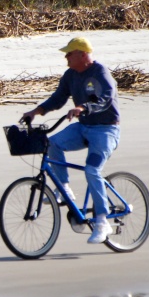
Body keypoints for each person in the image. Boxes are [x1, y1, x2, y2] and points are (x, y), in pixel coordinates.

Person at [21, 36, 120, 244]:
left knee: (92, 170)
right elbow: (58, 99)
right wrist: (36, 111)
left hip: (105, 131)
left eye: (69, 53)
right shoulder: (71, 75)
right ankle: (64, 187)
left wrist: (83, 108)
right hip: (83, 128)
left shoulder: (100, 73)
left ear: (82, 55)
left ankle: (102, 221)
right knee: (51, 143)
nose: (66, 57)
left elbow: (105, 99)